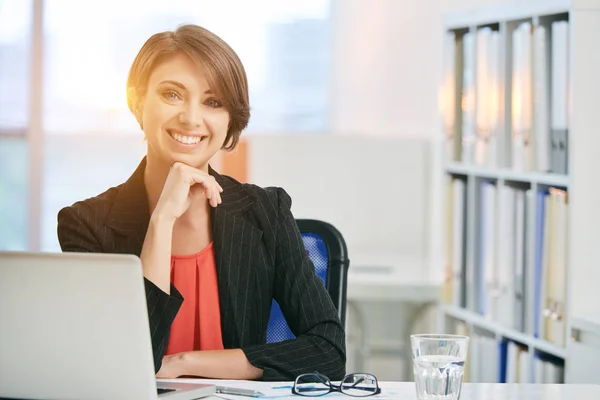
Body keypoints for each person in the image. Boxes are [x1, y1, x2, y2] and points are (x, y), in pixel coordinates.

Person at [56, 24, 346, 381]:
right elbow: (127, 365)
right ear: (137, 101)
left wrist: (184, 364)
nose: (191, 118)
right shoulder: (86, 224)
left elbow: (327, 349)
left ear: (229, 120)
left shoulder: (265, 211)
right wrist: (161, 220)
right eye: (172, 95)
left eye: (212, 102)